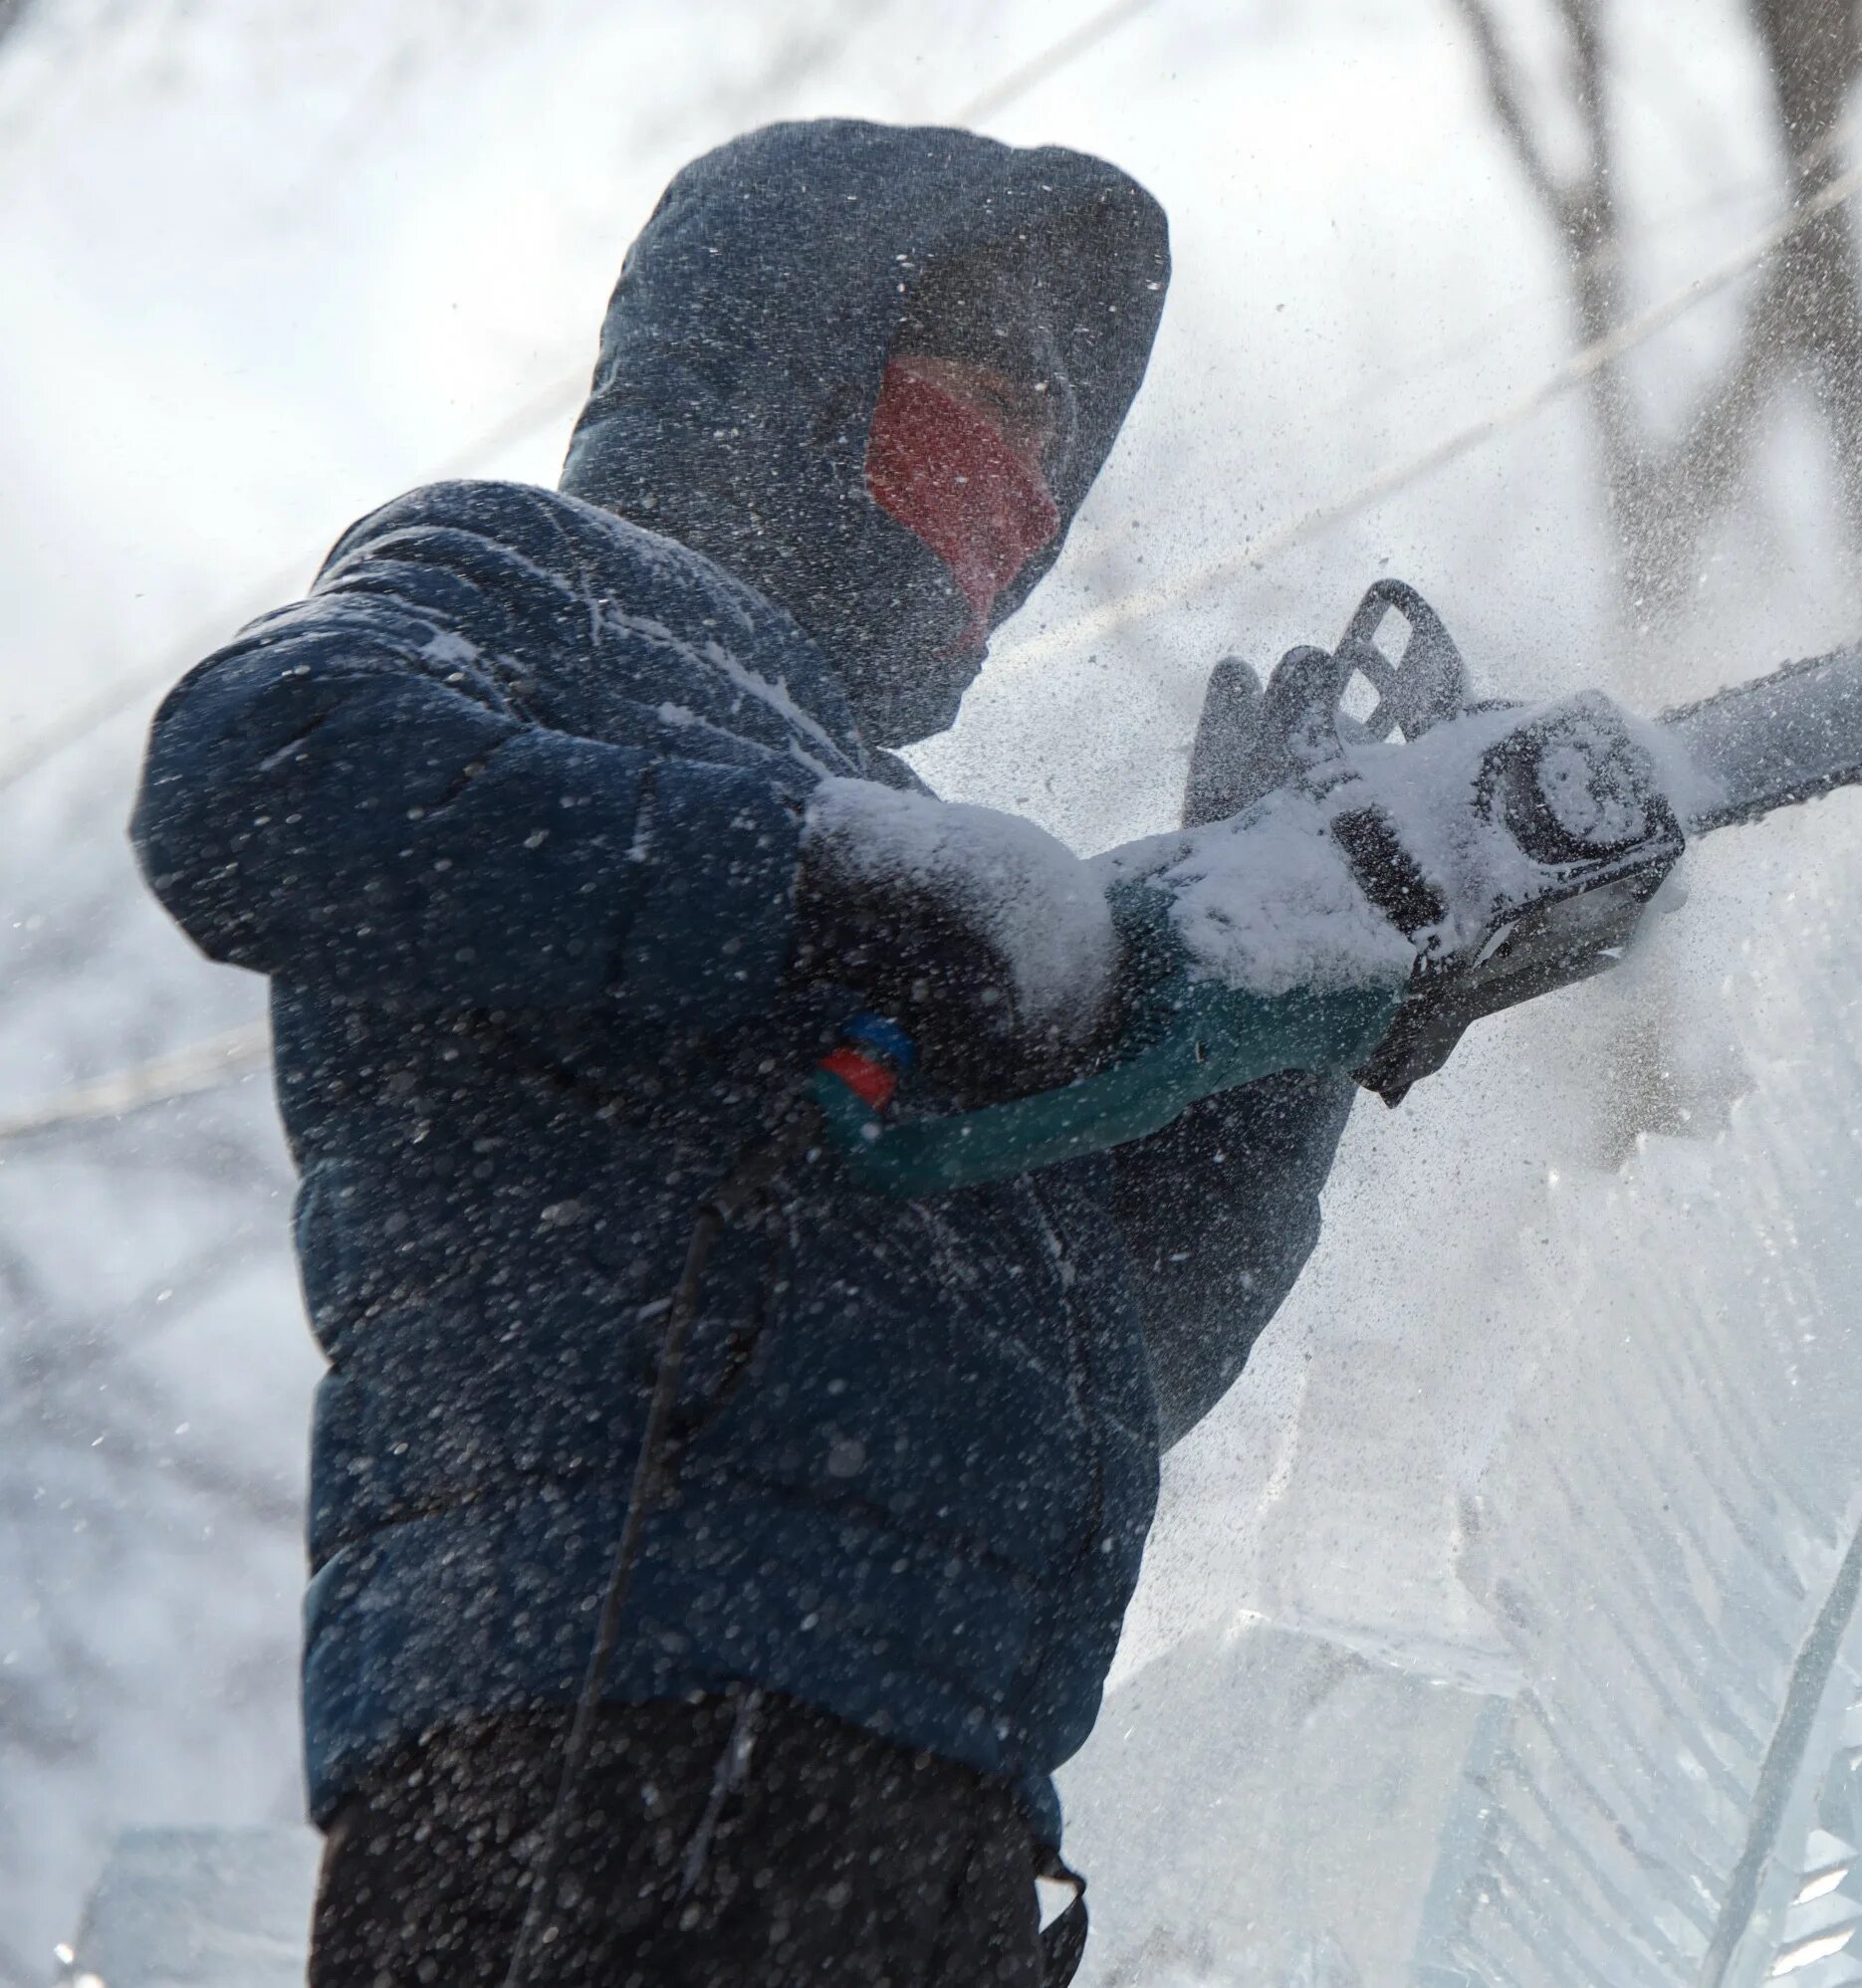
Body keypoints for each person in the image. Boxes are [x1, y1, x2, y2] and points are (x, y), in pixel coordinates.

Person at [130, 118, 1364, 1987]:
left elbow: (1070, 1356)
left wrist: (1271, 1048)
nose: (1027, 483)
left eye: (1056, 440)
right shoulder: (529, 587)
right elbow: (258, 775)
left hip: (937, 1820)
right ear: (800, 343)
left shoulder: (918, 847)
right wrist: (827, 883)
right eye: (995, 387)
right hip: (599, 1761)